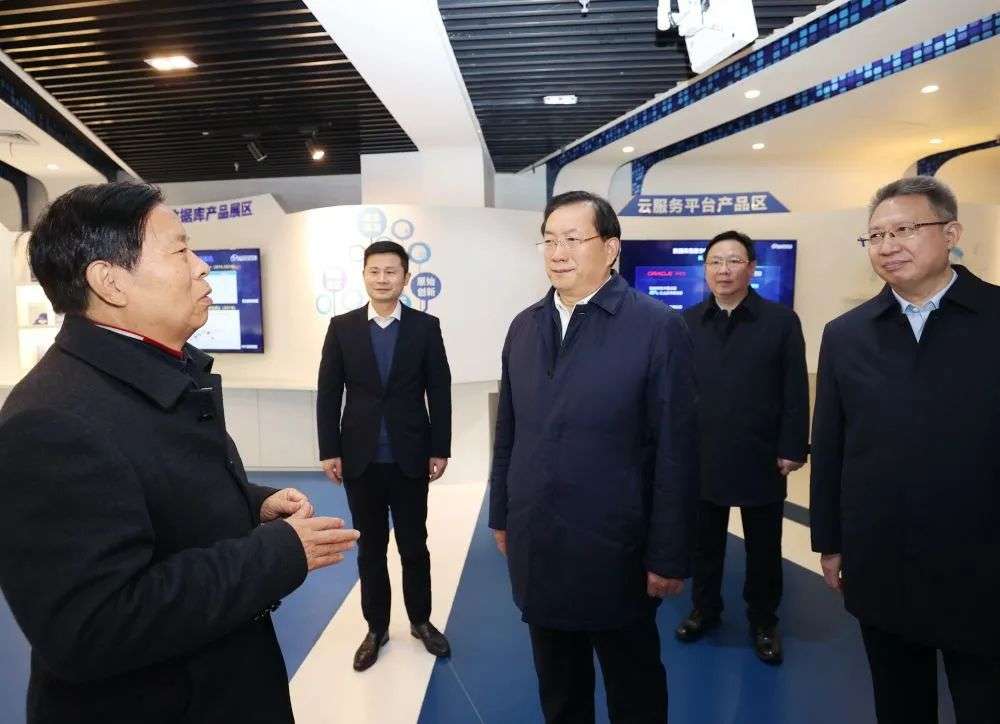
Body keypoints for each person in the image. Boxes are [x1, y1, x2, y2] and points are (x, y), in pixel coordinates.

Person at [0, 182, 360, 724]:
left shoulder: (152, 371)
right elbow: (92, 626)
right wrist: (277, 553)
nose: (202, 266)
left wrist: (251, 503)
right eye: (180, 250)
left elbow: (150, 488)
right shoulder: (50, 421)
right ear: (110, 281)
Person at [489, 190, 699, 723]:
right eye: (549, 240)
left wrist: (668, 553)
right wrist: (502, 516)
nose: (558, 252)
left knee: (635, 690)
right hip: (539, 543)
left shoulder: (656, 326)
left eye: (572, 239)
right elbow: (509, 433)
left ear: (610, 248)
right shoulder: (523, 327)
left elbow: (676, 450)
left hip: (617, 550)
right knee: (560, 691)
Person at [811, 175, 1000, 723]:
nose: (888, 245)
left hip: (983, 564)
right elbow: (832, 445)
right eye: (876, 235)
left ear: (951, 233)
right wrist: (830, 542)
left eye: (905, 229)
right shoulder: (846, 334)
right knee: (899, 704)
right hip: (884, 562)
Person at [317, 239, 452, 672]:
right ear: (364, 275)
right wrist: (329, 449)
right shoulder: (342, 327)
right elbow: (328, 392)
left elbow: (439, 390)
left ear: (405, 278)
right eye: (374, 271)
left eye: (391, 271)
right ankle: (376, 629)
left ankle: (420, 621)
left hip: (411, 456)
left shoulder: (425, 327)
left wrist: (440, 446)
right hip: (360, 460)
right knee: (370, 549)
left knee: (414, 545)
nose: (382, 279)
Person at [674, 230, 809, 665]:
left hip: (760, 454)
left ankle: (763, 620)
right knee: (704, 544)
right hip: (702, 454)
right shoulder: (685, 322)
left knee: (764, 548)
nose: (724, 270)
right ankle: (705, 610)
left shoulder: (781, 321)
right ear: (705, 270)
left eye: (734, 261)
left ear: (751, 268)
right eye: (715, 262)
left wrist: (793, 446)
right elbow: (674, 392)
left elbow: (794, 390)